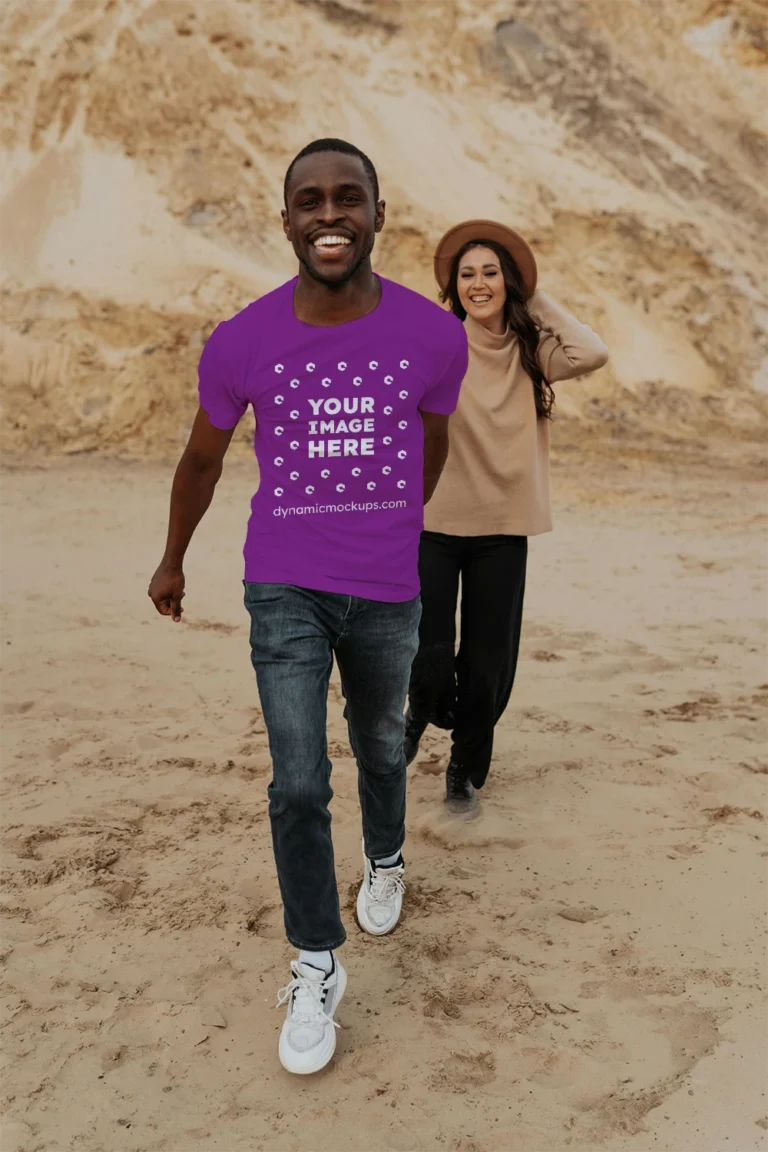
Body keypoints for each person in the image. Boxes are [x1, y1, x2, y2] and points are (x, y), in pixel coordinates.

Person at [147, 139, 468, 1074]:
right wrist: (173, 558)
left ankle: (385, 856)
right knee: (296, 779)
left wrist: (402, 527)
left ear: (378, 213)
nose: (331, 216)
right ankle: (316, 959)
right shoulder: (242, 338)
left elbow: (431, 442)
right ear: (285, 219)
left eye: (349, 199)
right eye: (310, 201)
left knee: (378, 746)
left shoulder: (431, 335)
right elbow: (203, 458)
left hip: (385, 587)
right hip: (282, 581)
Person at [404, 220, 609, 814]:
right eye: (466, 274)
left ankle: (463, 773)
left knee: (487, 662)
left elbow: (591, 352)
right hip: (434, 526)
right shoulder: (437, 340)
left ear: (508, 280)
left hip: (503, 530)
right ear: (454, 285)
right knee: (429, 650)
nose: (478, 283)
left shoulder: (532, 350)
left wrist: (533, 295)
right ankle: (417, 711)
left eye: (491, 272)